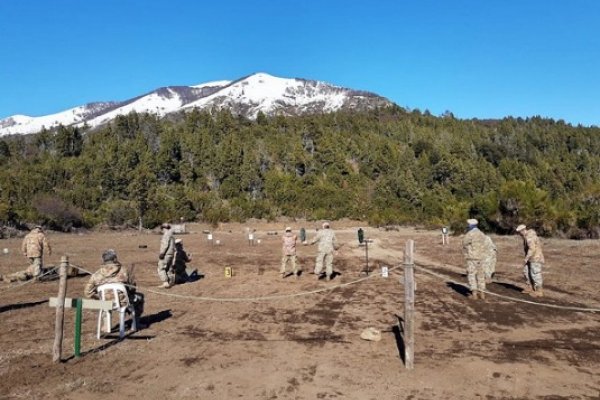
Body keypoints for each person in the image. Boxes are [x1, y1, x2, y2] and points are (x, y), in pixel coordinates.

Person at [84, 249, 144, 318]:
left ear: (103, 259)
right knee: (139, 297)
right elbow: (133, 287)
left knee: (104, 305)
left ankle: (105, 326)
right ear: (115, 259)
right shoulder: (124, 271)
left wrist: (100, 297)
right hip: (122, 302)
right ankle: (135, 324)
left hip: (104, 303)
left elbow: (87, 293)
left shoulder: (96, 275)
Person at [516, 224, 545, 297]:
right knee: (526, 271)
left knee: (535, 274)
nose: (519, 234)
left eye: (519, 232)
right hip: (530, 258)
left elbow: (532, 249)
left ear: (523, 231)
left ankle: (539, 291)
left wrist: (526, 259)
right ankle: (530, 287)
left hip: (535, 258)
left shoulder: (529, 237)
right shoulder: (526, 236)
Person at [462, 218, 487, 299]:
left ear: (470, 225)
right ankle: (482, 293)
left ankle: (474, 294)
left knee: (471, 275)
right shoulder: (482, 234)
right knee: (481, 275)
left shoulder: (469, 234)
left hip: (472, 258)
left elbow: (464, 243)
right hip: (481, 257)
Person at [157, 222, 176, 288]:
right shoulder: (172, 235)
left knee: (161, 268)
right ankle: (171, 281)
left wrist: (162, 253)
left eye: (162, 228)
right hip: (171, 254)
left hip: (166, 254)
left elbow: (165, 245)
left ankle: (165, 282)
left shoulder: (166, 235)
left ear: (164, 228)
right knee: (168, 268)